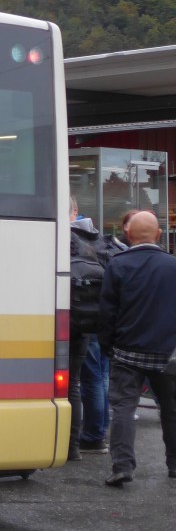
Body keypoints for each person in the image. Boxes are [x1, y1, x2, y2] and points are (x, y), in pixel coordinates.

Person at [98, 209, 176, 487]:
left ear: (128, 234)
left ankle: (122, 466)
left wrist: (108, 347)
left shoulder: (117, 265)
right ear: (158, 234)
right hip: (167, 352)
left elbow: (107, 313)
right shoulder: (173, 265)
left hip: (127, 351)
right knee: (171, 408)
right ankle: (174, 464)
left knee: (123, 407)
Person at [77, 209, 134, 454]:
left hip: (84, 319)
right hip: (103, 321)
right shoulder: (103, 243)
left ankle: (94, 434)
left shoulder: (76, 242)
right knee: (101, 376)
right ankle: (100, 429)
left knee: (92, 378)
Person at [68, 197, 118, 460]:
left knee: (80, 379)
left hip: (73, 316)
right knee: (96, 376)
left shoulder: (67, 239)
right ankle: (96, 434)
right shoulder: (98, 238)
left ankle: (90, 436)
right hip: (96, 316)